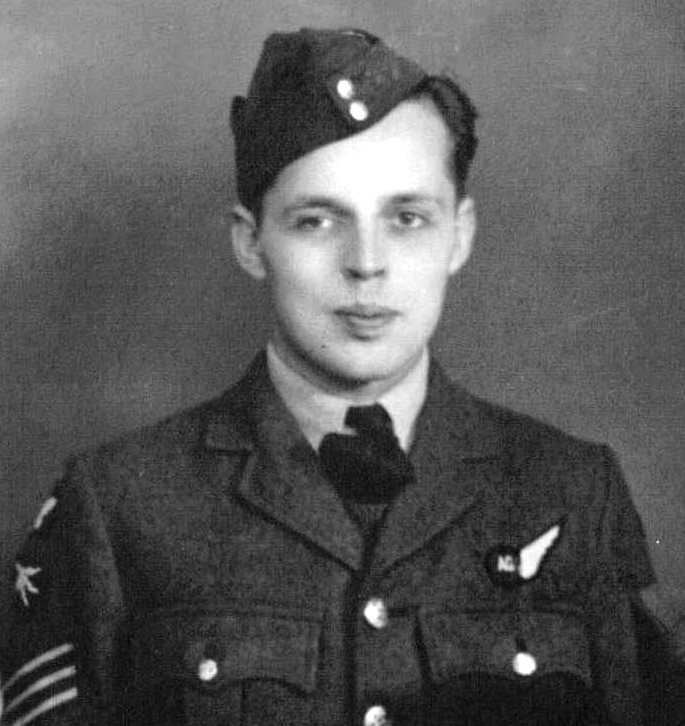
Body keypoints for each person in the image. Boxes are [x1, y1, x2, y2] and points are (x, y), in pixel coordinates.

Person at [1, 27, 683, 726]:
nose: (366, 263)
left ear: (459, 235)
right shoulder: (119, 503)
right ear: (250, 240)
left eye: (407, 218)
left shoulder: (571, 490)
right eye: (317, 221)